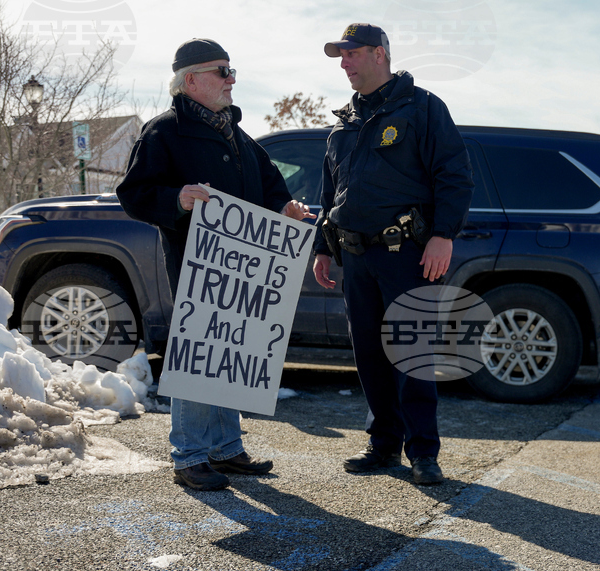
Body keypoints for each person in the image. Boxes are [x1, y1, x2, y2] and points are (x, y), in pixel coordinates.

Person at [117, 38, 314, 491]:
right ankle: (188, 456)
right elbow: (133, 194)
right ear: (191, 80)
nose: (231, 79)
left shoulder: (238, 136)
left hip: (245, 268)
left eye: (232, 70)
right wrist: (177, 199)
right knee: (200, 352)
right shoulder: (162, 132)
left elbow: (272, 189)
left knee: (232, 349)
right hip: (197, 264)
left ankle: (226, 449)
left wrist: (285, 209)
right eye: (222, 71)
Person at [312, 23, 474, 485]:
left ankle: (423, 452)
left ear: (379, 54)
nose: (344, 63)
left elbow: (454, 175)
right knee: (369, 354)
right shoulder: (344, 122)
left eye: (351, 54)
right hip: (356, 256)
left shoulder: (422, 107)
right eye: (340, 56)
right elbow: (331, 192)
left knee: (412, 352)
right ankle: (383, 444)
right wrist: (323, 247)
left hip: (406, 254)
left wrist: (443, 234)